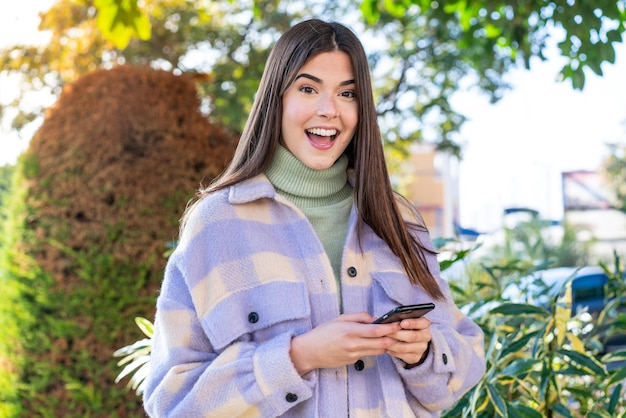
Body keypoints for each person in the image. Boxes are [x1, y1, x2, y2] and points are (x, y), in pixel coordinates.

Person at [143, 18, 485, 418]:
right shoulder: (217, 224)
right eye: (308, 89)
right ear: (278, 98)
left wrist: (423, 353)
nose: (329, 110)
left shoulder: (398, 219)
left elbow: (464, 365)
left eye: (348, 94)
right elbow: (172, 402)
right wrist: (297, 356)